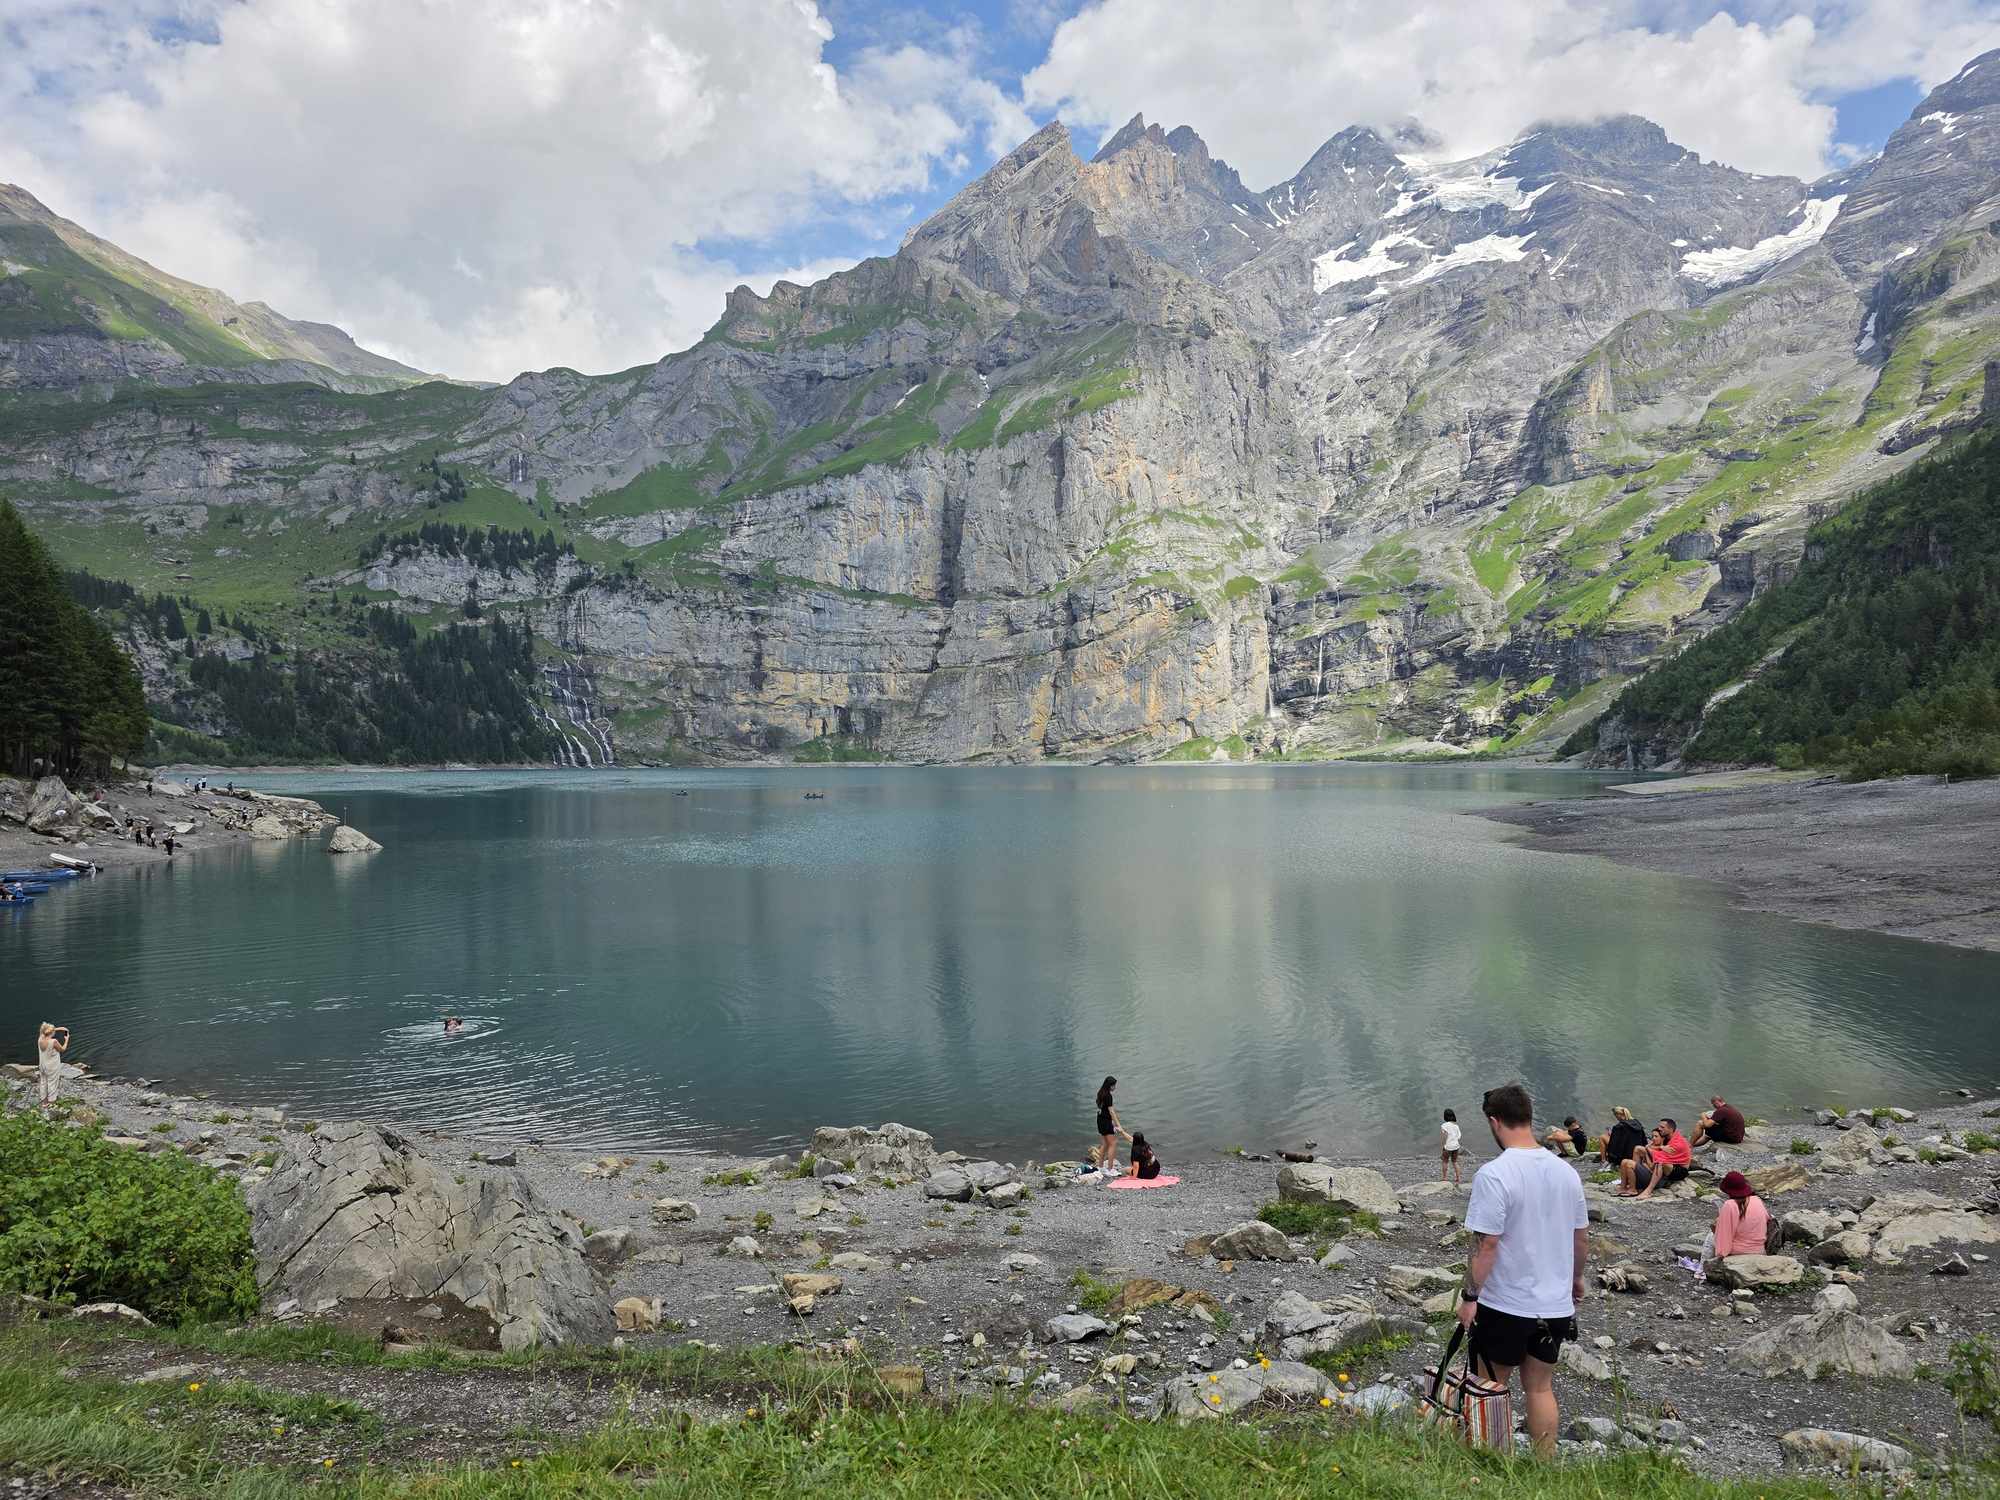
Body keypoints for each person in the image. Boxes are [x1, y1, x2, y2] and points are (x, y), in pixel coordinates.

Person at [1458, 1082, 1588, 1459]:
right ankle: (1544, 1465)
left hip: (1507, 1303)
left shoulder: (1494, 1174)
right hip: (1554, 1305)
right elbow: (1580, 1239)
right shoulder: (1566, 1173)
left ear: (1495, 1122)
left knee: (1490, 1383)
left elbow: (1487, 1244)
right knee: (1540, 1388)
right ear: (1528, 1118)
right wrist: (1575, 1280)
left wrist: (1470, 1296)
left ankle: (1489, 1458)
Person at [1621, 1118, 1692, 1199]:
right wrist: (1661, 1147)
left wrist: (1651, 1150)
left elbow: (1659, 1157)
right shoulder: (1669, 1136)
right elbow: (1658, 1148)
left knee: (1660, 1162)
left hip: (1679, 1170)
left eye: (1662, 1127)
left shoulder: (1677, 1143)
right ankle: (1635, 1177)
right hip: (1670, 1163)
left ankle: (1648, 1191)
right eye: (1659, 1126)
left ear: (1670, 1129)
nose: (1659, 1128)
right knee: (1638, 1149)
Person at [1708, 1170, 1770, 1259]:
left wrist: (1721, 1255)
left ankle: (1701, 1269)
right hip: (1759, 1250)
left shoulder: (1730, 1205)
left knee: (1710, 1237)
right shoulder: (1757, 1200)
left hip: (1739, 1253)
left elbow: (1724, 1238)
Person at [1095, 1077, 1130, 1174]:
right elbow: (1111, 1111)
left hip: (1100, 1120)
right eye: (1114, 1085)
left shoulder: (1100, 1093)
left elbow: (1101, 1108)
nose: (1115, 1087)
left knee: (1105, 1144)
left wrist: (1112, 1123)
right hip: (1106, 1121)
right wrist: (1119, 1125)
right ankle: (1110, 1169)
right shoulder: (1108, 1096)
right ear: (1110, 1085)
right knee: (1113, 1144)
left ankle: (1100, 1167)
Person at [37, 1023, 69, 1115]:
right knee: (52, 1084)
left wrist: (58, 1028)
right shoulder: (53, 1041)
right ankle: (52, 1105)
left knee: (43, 1082)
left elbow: (43, 1032)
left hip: (42, 1065)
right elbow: (62, 1049)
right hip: (52, 1067)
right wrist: (66, 1040)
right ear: (51, 1032)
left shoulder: (40, 1039)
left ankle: (44, 1103)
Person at [1440, 1108, 1463, 1187]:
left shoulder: (1444, 1125)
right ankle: (1458, 1178)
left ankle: (1445, 1177)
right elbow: (1459, 1136)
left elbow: (1445, 1136)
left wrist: (1443, 1145)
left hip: (1448, 1146)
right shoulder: (1456, 1126)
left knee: (1445, 1161)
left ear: (1445, 1116)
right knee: (1454, 1162)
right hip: (1456, 1146)